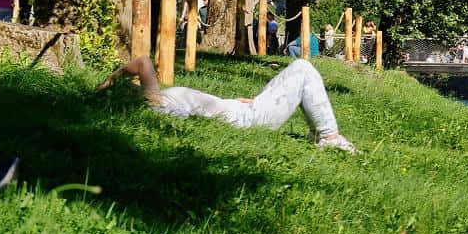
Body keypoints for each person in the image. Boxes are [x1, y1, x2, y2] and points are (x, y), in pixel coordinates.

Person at [98, 56, 356, 151]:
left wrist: (230, 101)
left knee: (300, 71)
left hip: (243, 109)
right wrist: (112, 80)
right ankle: (328, 136)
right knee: (303, 68)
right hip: (247, 118)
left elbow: (203, 110)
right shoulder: (155, 101)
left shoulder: (163, 100)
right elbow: (142, 62)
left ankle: (322, 134)